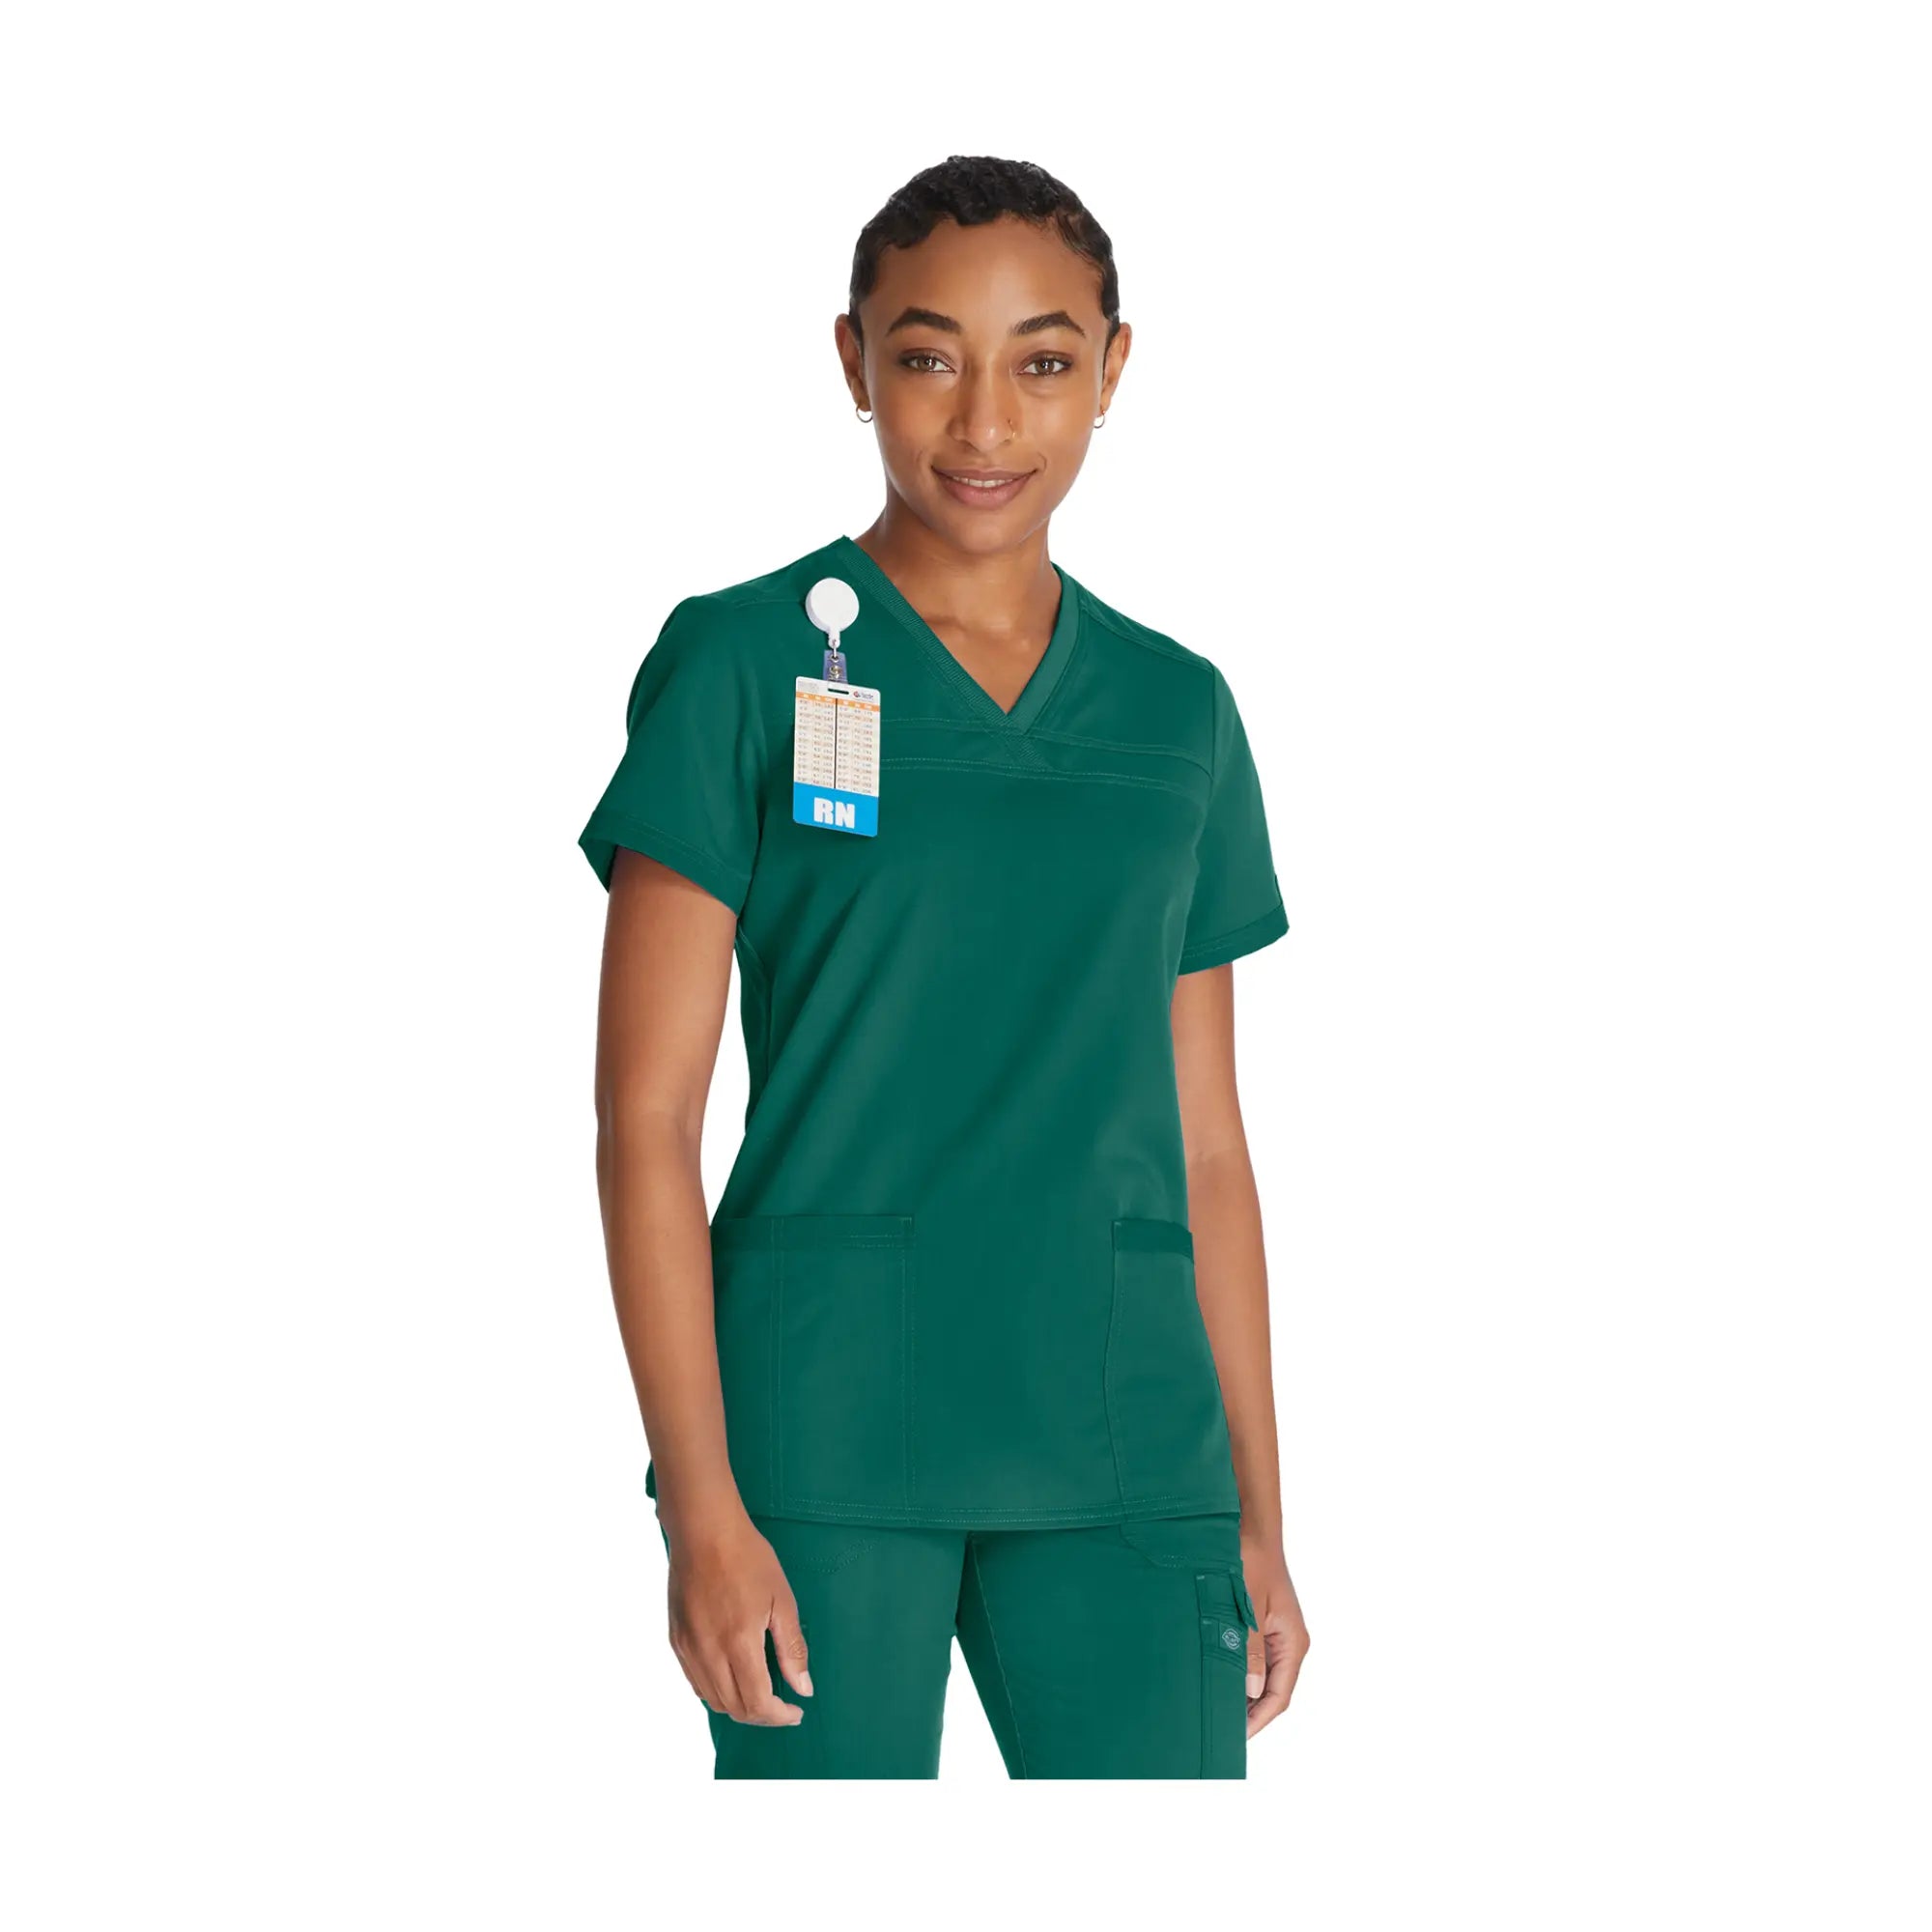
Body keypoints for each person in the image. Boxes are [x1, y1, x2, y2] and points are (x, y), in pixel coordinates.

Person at [579, 156, 1311, 1778]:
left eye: (1042, 361)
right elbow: (647, 1121)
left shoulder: (1178, 712)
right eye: (928, 356)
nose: (985, 422)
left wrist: (1260, 1512)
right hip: (821, 1436)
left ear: (1113, 368)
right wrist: (701, 1505)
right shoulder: (742, 664)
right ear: (853, 360)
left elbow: (1210, 1150)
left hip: (1129, 1441)